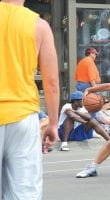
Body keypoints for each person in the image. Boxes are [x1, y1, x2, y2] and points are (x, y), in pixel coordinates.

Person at [0, 0, 59, 199]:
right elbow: (51, 82)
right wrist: (52, 123)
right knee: (24, 192)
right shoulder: (39, 25)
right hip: (23, 117)